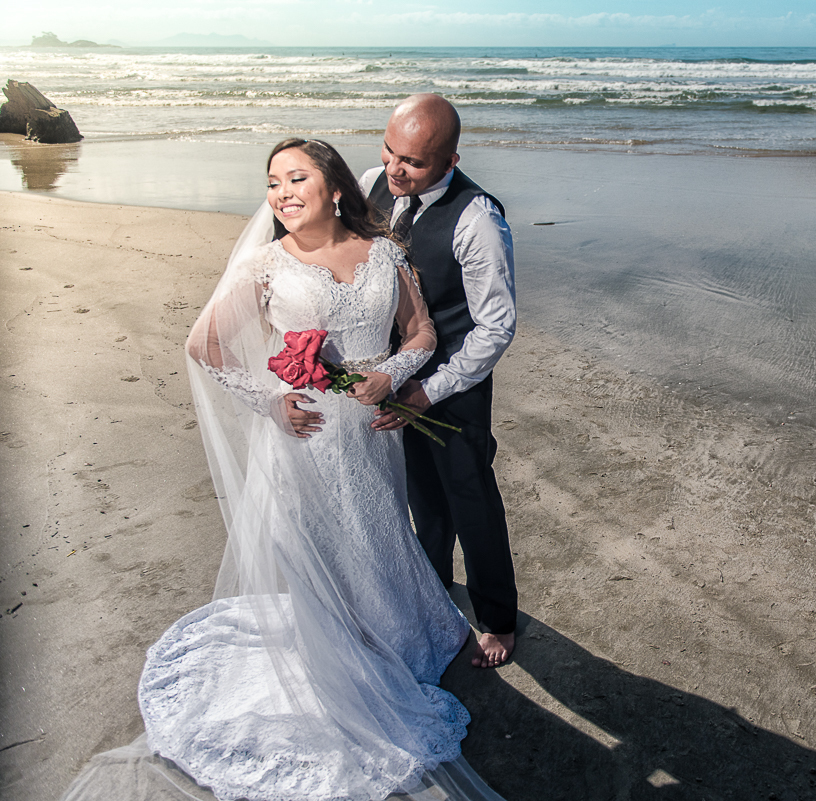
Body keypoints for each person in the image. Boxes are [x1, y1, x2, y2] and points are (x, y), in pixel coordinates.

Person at [61, 139, 505, 801]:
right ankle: (332, 661)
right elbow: (204, 344)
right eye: (273, 182)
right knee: (319, 549)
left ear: (333, 187)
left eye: (297, 177)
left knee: (375, 534)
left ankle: (384, 634)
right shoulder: (267, 265)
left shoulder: (385, 251)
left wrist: (390, 374)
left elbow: (421, 335)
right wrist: (271, 402)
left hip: (371, 436)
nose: (282, 192)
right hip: (305, 439)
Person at [359, 94, 518, 669]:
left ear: (450, 160)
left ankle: (498, 617)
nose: (395, 170)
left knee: (469, 497)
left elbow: (496, 327)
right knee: (422, 496)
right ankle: (433, 593)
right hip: (389, 375)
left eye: (414, 163)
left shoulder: (478, 219)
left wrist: (428, 390)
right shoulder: (372, 181)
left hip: (454, 384)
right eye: (390, 151)